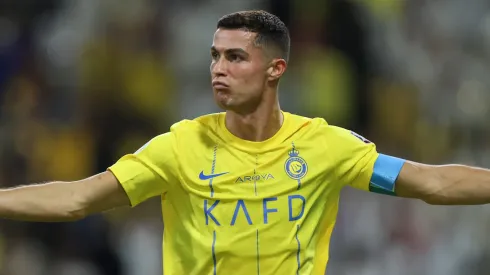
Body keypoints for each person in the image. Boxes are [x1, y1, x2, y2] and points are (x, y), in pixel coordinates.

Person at [1, 10, 489, 275]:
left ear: (276, 69)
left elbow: (431, 183)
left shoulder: (325, 147)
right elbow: (78, 198)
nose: (219, 68)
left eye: (236, 57)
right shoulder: (179, 147)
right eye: (215, 56)